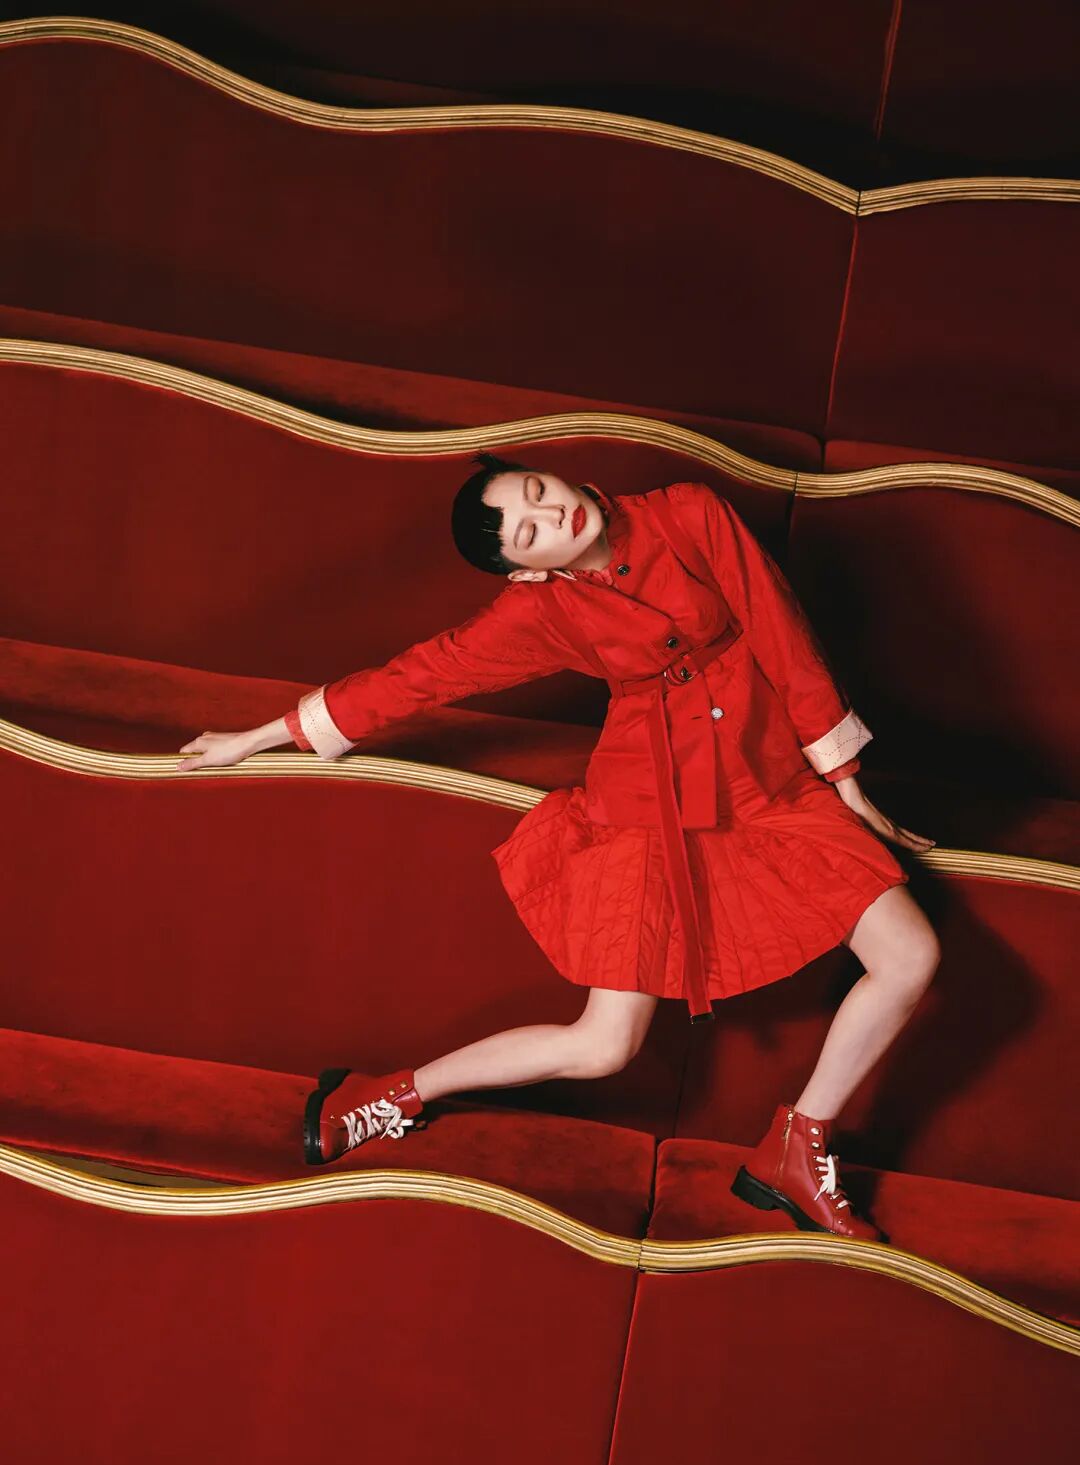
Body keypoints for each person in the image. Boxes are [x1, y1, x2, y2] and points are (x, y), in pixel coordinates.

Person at [177, 457, 939, 1242]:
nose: (551, 516)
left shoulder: (687, 513)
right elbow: (425, 672)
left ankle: (793, 1148)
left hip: (769, 777)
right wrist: (259, 736)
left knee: (910, 955)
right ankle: (390, 1094)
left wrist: (845, 779)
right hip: (652, 804)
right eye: (528, 533)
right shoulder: (541, 611)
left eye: (538, 493)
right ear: (525, 572)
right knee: (605, 1045)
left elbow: (780, 629)